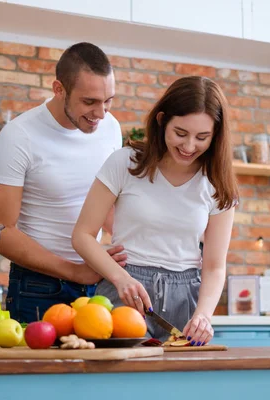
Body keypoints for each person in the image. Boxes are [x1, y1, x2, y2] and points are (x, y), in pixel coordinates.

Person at [71, 76, 238, 345]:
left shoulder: (217, 183)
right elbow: (82, 235)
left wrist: (204, 316)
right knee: (118, 384)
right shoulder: (125, 163)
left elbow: (215, 266)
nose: (189, 146)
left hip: (187, 299)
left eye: (202, 137)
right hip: (125, 290)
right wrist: (120, 279)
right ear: (161, 121)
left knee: (176, 387)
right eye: (180, 133)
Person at [0, 42, 127, 323]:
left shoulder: (110, 128)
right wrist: (75, 271)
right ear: (59, 89)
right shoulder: (19, 136)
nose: (101, 113)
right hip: (37, 288)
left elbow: (108, 207)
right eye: (89, 102)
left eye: (108, 100)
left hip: (97, 282)